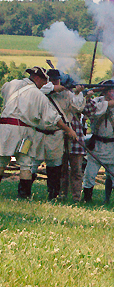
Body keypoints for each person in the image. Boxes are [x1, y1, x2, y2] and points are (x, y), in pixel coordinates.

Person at [0, 66, 77, 198]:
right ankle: (24, 195)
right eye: (43, 80)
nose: (44, 84)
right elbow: (54, 118)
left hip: (5, 129)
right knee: (26, 162)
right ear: (37, 78)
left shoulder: (11, 84)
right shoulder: (38, 95)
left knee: (2, 160)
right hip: (25, 132)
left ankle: (24, 195)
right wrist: (68, 130)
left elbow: (3, 92)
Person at [31, 69, 85, 200]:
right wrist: (55, 88)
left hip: (56, 134)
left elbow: (78, 108)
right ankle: (25, 191)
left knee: (54, 166)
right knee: (32, 165)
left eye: (57, 79)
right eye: (52, 79)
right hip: (38, 134)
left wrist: (78, 93)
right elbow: (43, 90)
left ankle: (53, 195)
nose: (55, 81)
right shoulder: (40, 91)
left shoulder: (66, 94)